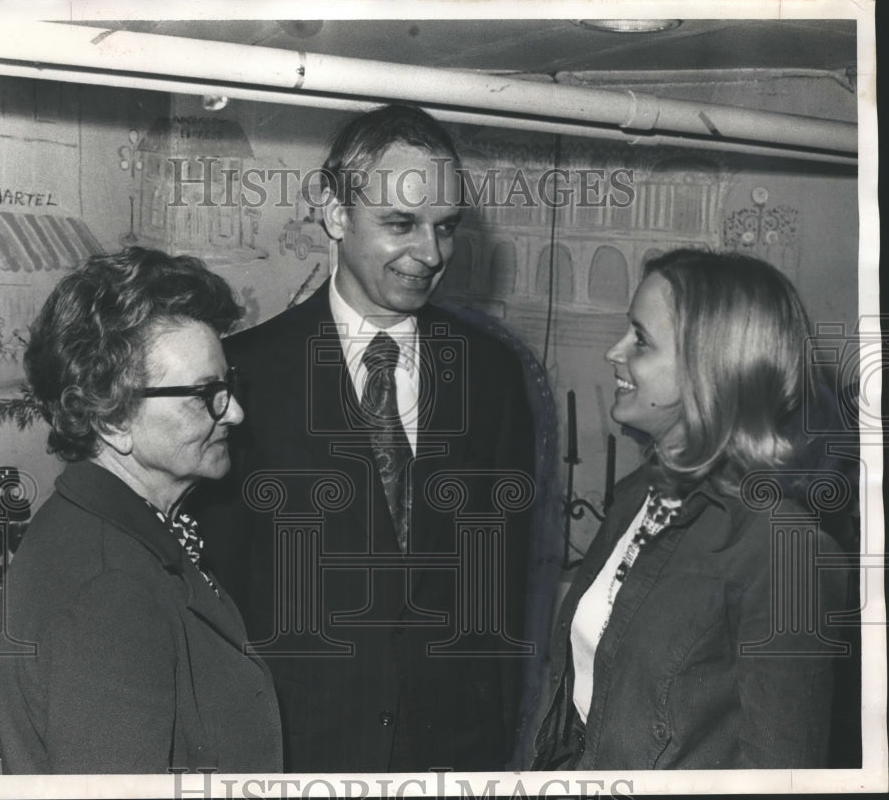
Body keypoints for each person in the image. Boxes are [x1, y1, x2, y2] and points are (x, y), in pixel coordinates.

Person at [196, 104, 536, 772]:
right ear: (335, 212)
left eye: (446, 228)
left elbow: (501, 592)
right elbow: (220, 595)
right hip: (296, 752)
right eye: (401, 224)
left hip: (453, 753)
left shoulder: (491, 374)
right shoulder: (246, 375)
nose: (431, 254)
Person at [514, 249, 850, 770]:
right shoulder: (636, 497)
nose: (613, 353)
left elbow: (782, 771)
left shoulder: (785, 549)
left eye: (640, 341)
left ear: (711, 370)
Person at [0, 248, 282, 773]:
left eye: (228, 385)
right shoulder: (109, 588)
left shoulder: (119, 532)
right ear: (111, 418)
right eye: (204, 395)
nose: (234, 411)